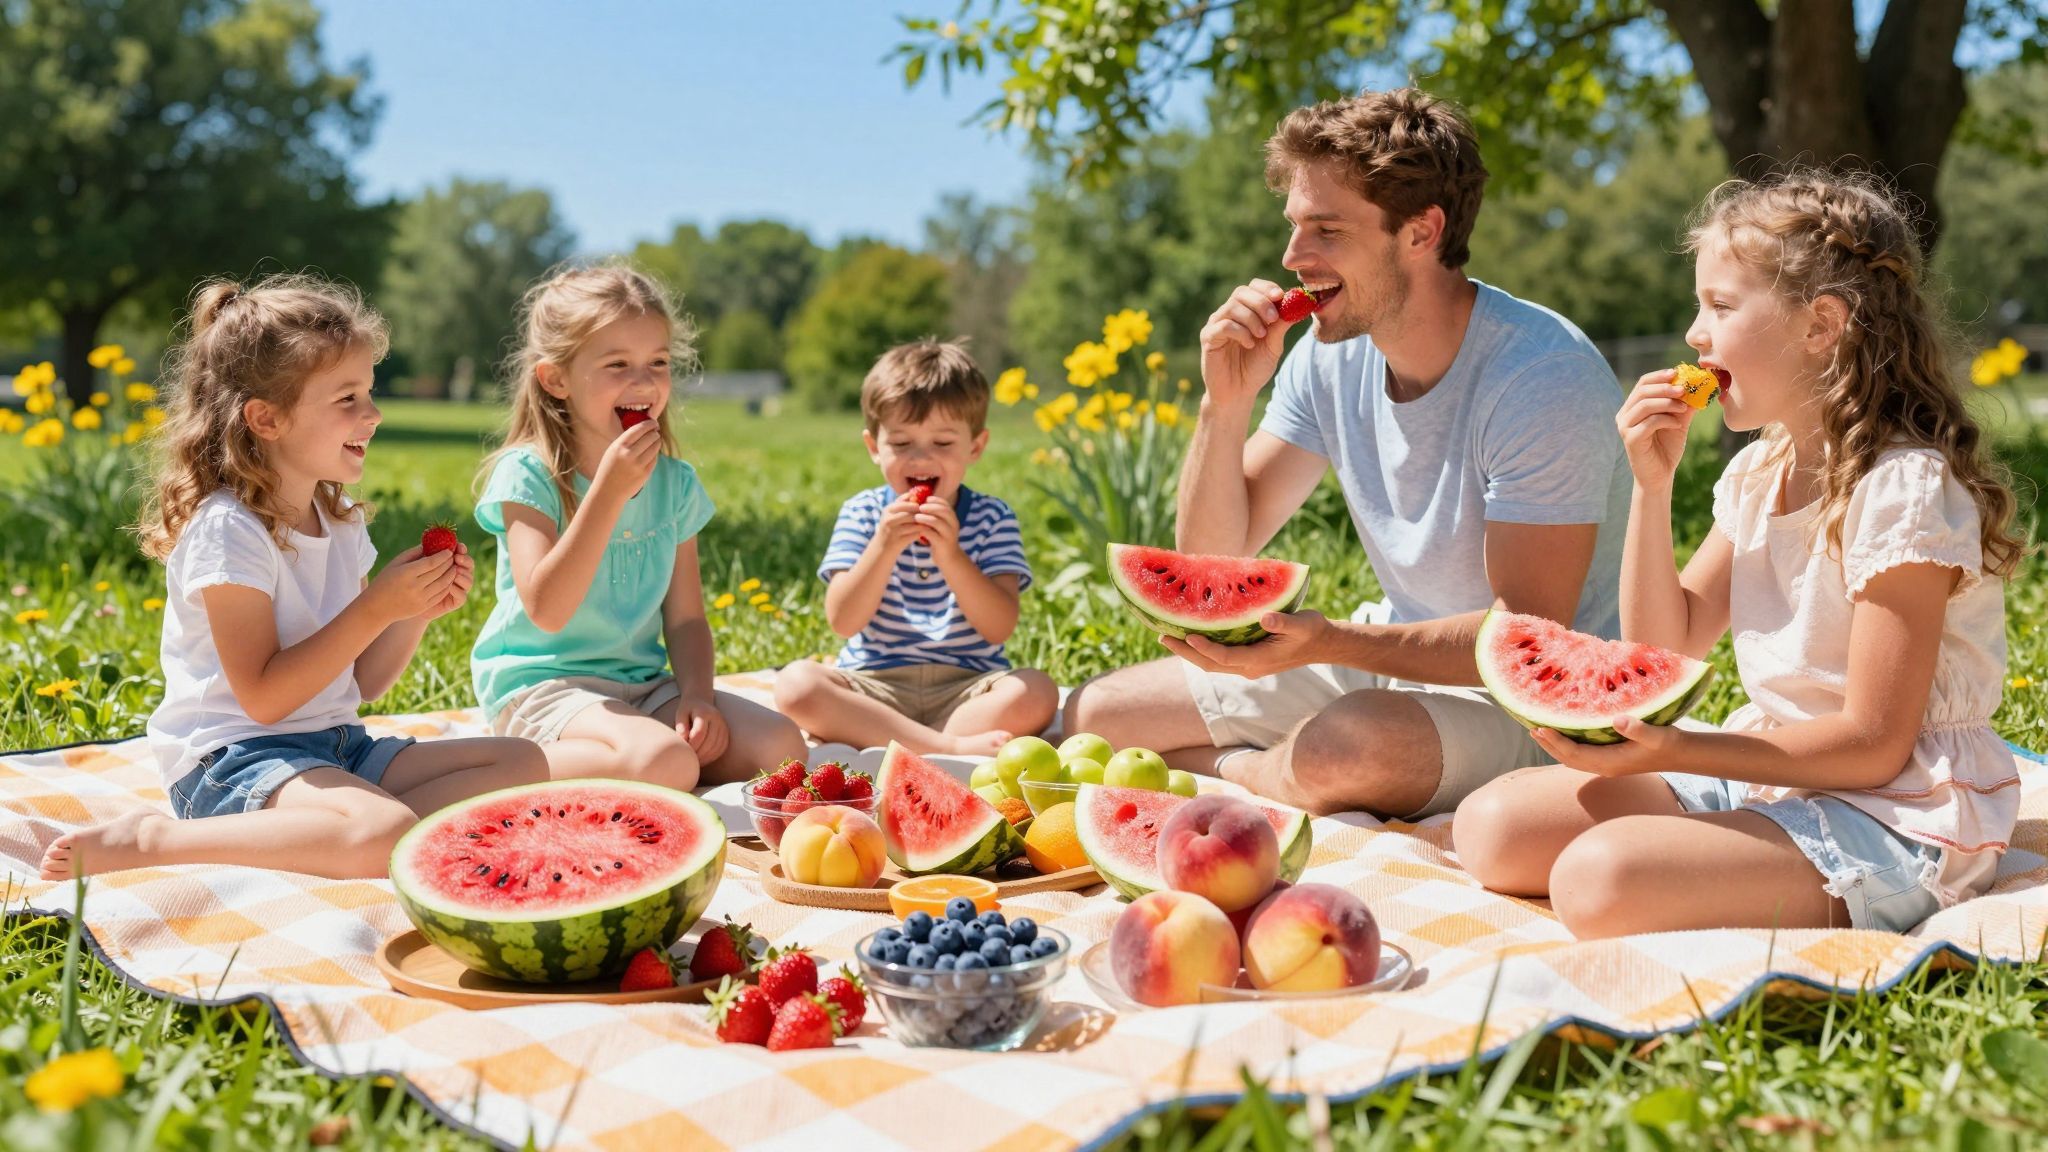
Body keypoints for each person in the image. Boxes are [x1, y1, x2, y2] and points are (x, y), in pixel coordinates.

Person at [1453, 172, 2029, 938]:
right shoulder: (1761, 472)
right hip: (1774, 772)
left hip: (1899, 809)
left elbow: (1873, 744)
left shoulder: (1903, 488)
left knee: (1598, 880)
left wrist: (1682, 752)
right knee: (1492, 826)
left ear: (1821, 325)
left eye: (1721, 306)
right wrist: (1651, 487)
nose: (1696, 333)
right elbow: (1663, 647)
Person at [1065, 87, 1631, 818]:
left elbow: (1526, 642)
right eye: (1295, 226)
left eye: (1327, 231)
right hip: (1392, 667)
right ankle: (1273, 771)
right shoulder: (1328, 354)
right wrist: (1224, 404)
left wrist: (1330, 642)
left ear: (1421, 232)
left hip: (1540, 704)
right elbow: (1212, 562)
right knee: (1098, 713)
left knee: (1350, 746)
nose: (1292, 257)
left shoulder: (1540, 377)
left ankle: (1252, 769)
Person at [41, 276, 547, 881]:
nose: (373, 414)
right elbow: (264, 698)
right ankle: (156, 840)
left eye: (369, 393)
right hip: (233, 760)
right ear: (267, 419)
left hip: (338, 745)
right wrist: (376, 609)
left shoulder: (341, 520)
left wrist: (413, 612)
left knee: (522, 762)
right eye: (347, 399)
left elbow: (365, 681)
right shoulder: (229, 530)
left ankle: (352, 832)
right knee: (381, 831)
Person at [471, 263, 804, 788]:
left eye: (658, 362)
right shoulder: (528, 474)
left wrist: (697, 696)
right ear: (556, 379)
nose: (644, 382)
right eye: (618, 364)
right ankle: (502, 769)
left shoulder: (675, 484)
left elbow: (687, 619)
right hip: (545, 687)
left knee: (781, 746)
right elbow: (547, 610)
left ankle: (625, 756)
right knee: (666, 761)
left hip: (643, 687)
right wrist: (607, 493)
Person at [774, 340, 1057, 755]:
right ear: (874, 448)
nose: (921, 459)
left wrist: (952, 556)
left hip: (967, 687)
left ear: (975, 447)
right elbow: (843, 621)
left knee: (1037, 690)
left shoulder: (993, 518)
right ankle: (946, 747)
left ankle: (904, 743)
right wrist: (883, 547)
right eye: (902, 443)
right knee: (796, 685)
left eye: (942, 444)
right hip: (875, 685)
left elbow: (999, 627)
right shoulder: (862, 513)